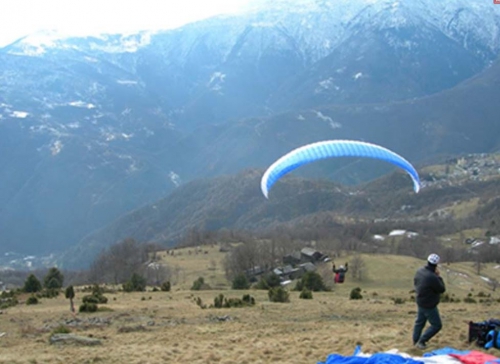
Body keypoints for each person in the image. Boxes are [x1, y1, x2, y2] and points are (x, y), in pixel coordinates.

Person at [412, 253, 446, 349]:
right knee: (437, 325)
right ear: (436, 264)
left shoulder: (419, 271)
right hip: (429, 304)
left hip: (420, 300)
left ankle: (415, 341)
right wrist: (439, 277)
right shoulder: (432, 277)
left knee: (419, 322)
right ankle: (422, 341)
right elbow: (442, 289)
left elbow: (415, 282)